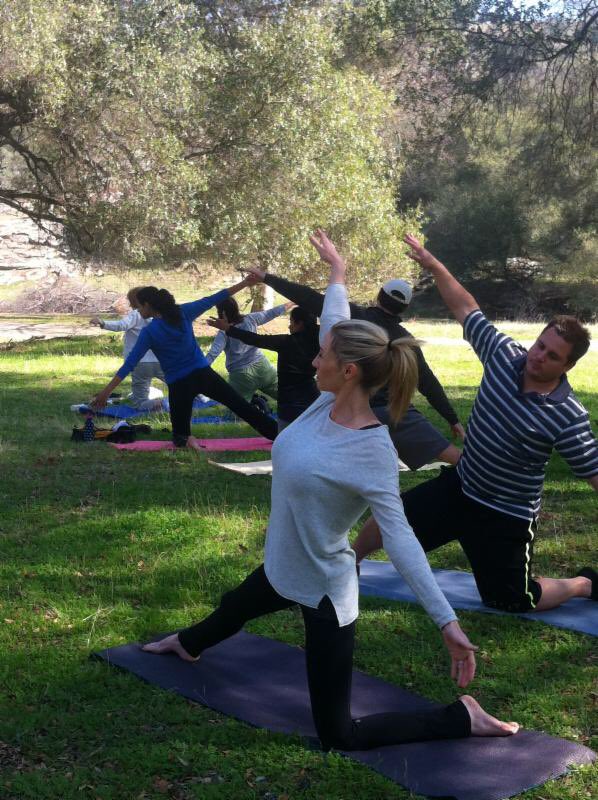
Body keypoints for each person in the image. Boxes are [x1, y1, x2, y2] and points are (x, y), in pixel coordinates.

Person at [142, 230, 519, 752]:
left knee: (338, 733)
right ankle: (187, 644)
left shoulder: (371, 452)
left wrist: (447, 622)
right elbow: (337, 320)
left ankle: (460, 717)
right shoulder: (327, 400)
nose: (312, 361)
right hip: (282, 564)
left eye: (323, 359)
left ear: (348, 372)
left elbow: (402, 540)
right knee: (236, 606)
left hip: (323, 586)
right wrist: (336, 271)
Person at [353, 234, 598, 612]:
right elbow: (467, 308)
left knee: (513, 599)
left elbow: (593, 472)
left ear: (567, 366)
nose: (539, 357)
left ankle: (583, 583)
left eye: (552, 356)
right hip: (462, 485)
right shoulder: (503, 355)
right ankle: (348, 562)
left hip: (506, 515)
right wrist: (432, 265)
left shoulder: (567, 415)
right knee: (394, 515)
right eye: (540, 345)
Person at [245, 265, 463, 470]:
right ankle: (484, 480)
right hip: (390, 412)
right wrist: (452, 420)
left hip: (349, 411)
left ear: (379, 296)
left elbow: (308, 298)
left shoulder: (354, 316)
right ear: (404, 308)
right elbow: (427, 382)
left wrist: (267, 278)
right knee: (452, 456)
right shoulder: (405, 341)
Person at [90, 276, 278, 447]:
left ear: (148, 305)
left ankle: (188, 439)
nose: (138, 311)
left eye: (139, 307)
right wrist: (244, 283)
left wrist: (106, 393)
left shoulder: (151, 331)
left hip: (180, 384)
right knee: (241, 406)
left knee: (180, 438)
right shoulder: (183, 312)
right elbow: (213, 298)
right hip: (203, 375)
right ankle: (278, 434)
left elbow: (129, 364)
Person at [208, 305, 320, 431]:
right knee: (313, 429)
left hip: (288, 402)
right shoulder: (321, 338)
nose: (289, 326)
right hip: (312, 395)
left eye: (291, 322)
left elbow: (256, 339)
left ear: (300, 323)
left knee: (283, 438)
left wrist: (228, 329)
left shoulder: (286, 342)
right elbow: (269, 316)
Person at [205, 297, 293, 403]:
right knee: (287, 398)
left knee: (239, 411)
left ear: (220, 312)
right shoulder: (251, 318)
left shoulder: (223, 332)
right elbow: (272, 312)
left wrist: (197, 371)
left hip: (240, 376)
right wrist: (292, 302)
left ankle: (258, 407)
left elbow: (212, 354)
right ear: (236, 308)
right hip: (263, 368)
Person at [90, 287, 165, 411]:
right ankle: (197, 395)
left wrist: (103, 323)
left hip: (139, 364)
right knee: (179, 385)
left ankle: (156, 404)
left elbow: (121, 325)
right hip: (159, 361)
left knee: (140, 402)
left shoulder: (135, 315)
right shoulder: (158, 318)